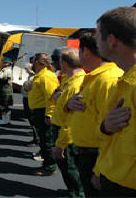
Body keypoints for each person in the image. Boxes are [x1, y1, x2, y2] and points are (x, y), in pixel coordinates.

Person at [91, 7, 136, 197]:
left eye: (98, 35)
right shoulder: (125, 81)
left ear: (112, 40)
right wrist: (106, 127)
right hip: (115, 181)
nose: (95, 41)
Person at [63, 31, 124, 197]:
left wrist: (100, 169)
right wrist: (68, 105)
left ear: (86, 52)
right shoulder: (95, 78)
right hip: (88, 153)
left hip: (96, 156)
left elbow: (113, 131)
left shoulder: (107, 80)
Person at [51, 48, 85, 197]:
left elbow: (71, 121)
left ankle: (76, 194)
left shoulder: (74, 86)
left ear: (64, 63)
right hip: (64, 131)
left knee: (70, 169)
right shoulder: (70, 80)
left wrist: (61, 144)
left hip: (66, 135)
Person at [24, 53, 59, 176]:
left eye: (33, 62)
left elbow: (51, 97)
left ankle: (50, 167)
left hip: (43, 111)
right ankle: (47, 164)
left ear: (38, 63)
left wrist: (49, 114)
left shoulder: (46, 76)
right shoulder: (39, 75)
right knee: (43, 140)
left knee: (47, 140)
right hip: (38, 111)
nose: (31, 64)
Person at [0, 57, 14, 125]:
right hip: (3, 88)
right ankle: (6, 120)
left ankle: (5, 121)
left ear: (9, 63)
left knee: (3, 105)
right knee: (4, 105)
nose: (4, 63)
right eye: (3, 62)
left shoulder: (6, 70)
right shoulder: (4, 69)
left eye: (5, 62)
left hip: (4, 88)